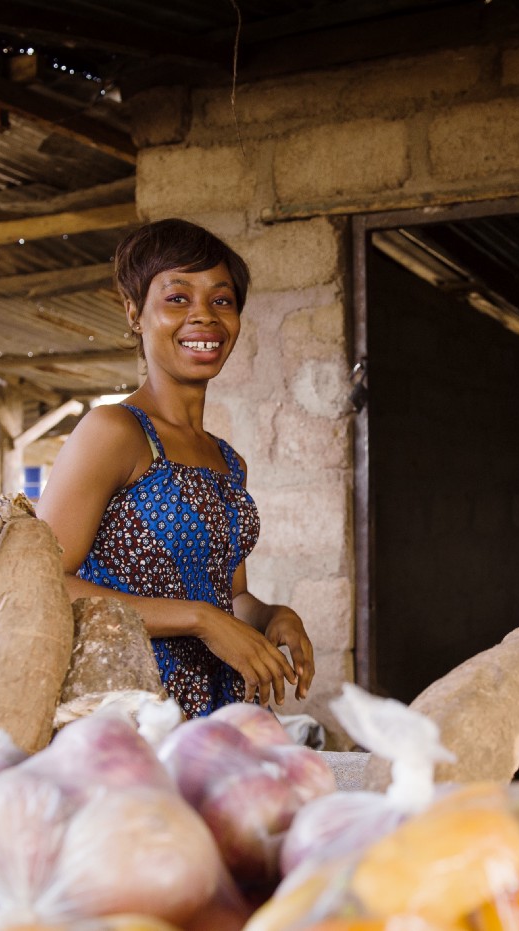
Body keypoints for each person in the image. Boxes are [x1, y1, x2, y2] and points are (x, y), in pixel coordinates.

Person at [36, 218, 314, 718]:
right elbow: (43, 582)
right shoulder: (115, 431)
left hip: (224, 712)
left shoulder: (229, 462)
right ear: (135, 314)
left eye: (221, 300)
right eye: (178, 298)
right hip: (134, 708)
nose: (203, 316)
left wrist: (272, 616)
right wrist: (201, 621)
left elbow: (232, 595)